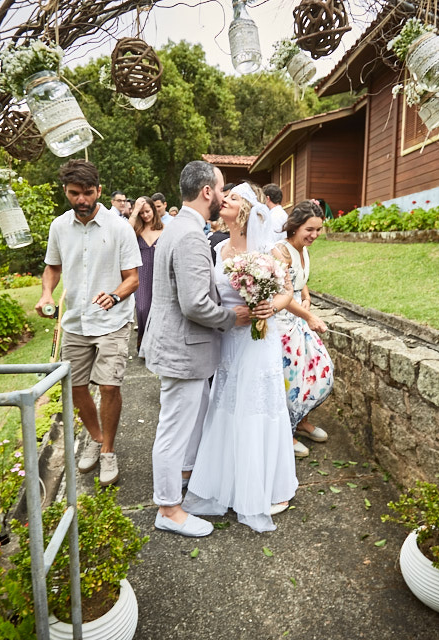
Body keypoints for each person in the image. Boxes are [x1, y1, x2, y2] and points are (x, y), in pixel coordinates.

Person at [141, 161, 254, 538]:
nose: (223, 196)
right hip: (183, 350)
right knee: (174, 430)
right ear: (207, 191)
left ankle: (185, 480)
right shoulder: (189, 235)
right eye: (221, 189)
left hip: (177, 346)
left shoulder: (179, 228)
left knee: (186, 425)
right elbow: (194, 304)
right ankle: (169, 508)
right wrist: (231, 317)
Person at [182, 182, 298, 532]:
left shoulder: (268, 248)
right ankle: (228, 482)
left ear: (245, 209)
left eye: (230, 198)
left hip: (258, 340)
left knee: (257, 405)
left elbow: (287, 290)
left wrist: (269, 306)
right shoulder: (218, 249)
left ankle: (267, 486)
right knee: (228, 404)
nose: (222, 200)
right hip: (230, 338)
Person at [36, 160, 142, 487]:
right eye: (74, 193)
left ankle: (108, 449)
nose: (81, 199)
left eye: (87, 192)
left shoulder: (119, 227)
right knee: (76, 388)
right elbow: (53, 267)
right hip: (75, 322)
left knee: (109, 386)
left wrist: (114, 295)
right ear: (66, 192)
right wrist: (45, 295)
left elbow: (133, 279)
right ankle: (95, 438)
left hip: (112, 320)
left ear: (98, 190)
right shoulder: (59, 227)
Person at [272, 200, 334, 458]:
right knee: (290, 379)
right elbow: (282, 293)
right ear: (295, 226)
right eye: (310, 229)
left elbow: (301, 282)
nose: (315, 235)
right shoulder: (280, 252)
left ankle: (302, 420)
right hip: (282, 323)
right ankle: (287, 432)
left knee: (319, 369)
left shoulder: (304, 250)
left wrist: (307, 297)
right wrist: (308, 314)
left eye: (318, 230)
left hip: (299, 317)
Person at [127, 195, 164, 352]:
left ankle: (156, 345)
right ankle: (143, 343)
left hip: (159, 273)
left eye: (147, 211)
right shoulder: (136, 229)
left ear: (154, 210)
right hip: (142, 272)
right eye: (142, 213)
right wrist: (135, 211)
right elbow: (123, 232)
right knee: (142, 308)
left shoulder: (164, 230)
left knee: (159, 309)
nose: (145, 215)